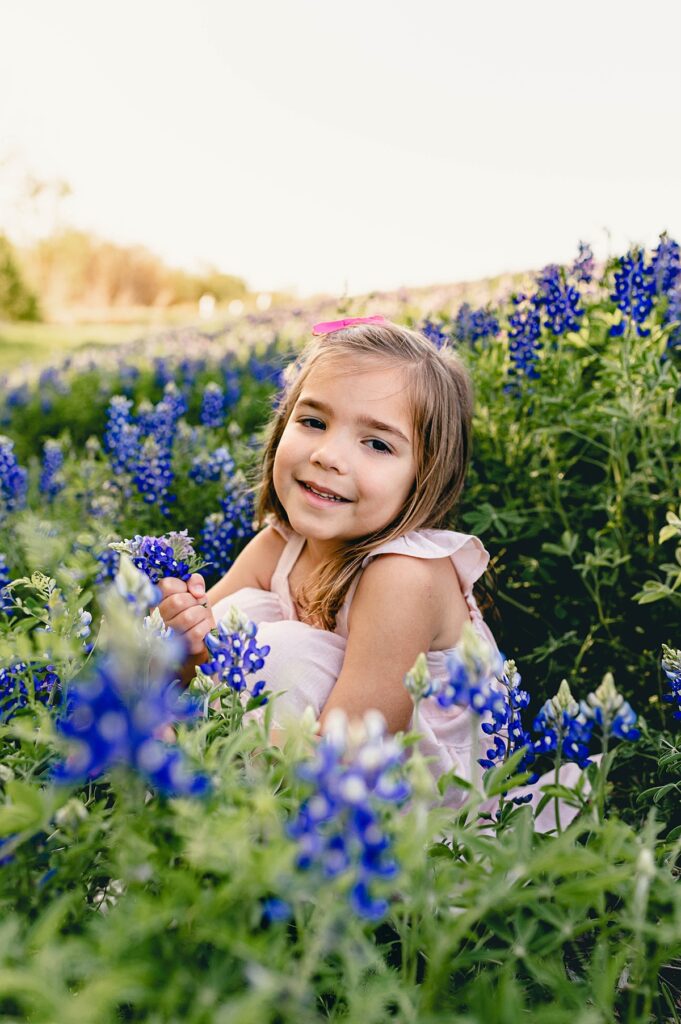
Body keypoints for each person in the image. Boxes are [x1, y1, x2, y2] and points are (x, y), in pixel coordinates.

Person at [157, 315, 586, 831]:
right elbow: (194, 667)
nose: (327, 455)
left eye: (377, 443)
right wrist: (185, 642)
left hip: (407, 814)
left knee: (280, 656)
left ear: (425, 477)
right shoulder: (279, 543)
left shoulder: (405, 577)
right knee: (225, 620)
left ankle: (218, 825)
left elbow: (352, 755)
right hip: (288, 771)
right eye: (313, 421)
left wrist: (192, 762)